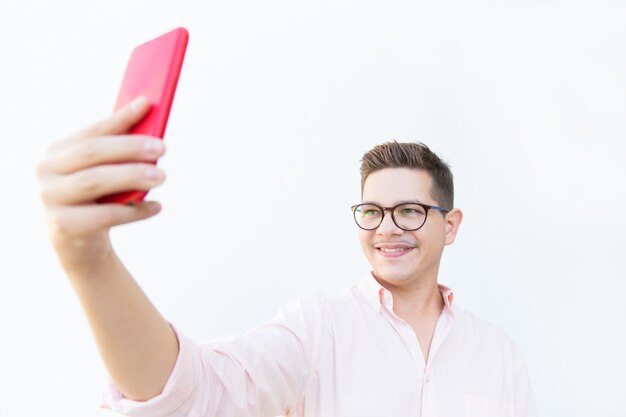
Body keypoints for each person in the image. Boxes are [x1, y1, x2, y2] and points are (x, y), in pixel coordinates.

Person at [37, 96, 537, 417]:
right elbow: (196, 392)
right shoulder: (317, 329)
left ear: (450, 226)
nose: (386, 228)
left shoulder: (498, 353)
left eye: (408, 210)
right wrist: (90, 261)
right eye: (372, 211)